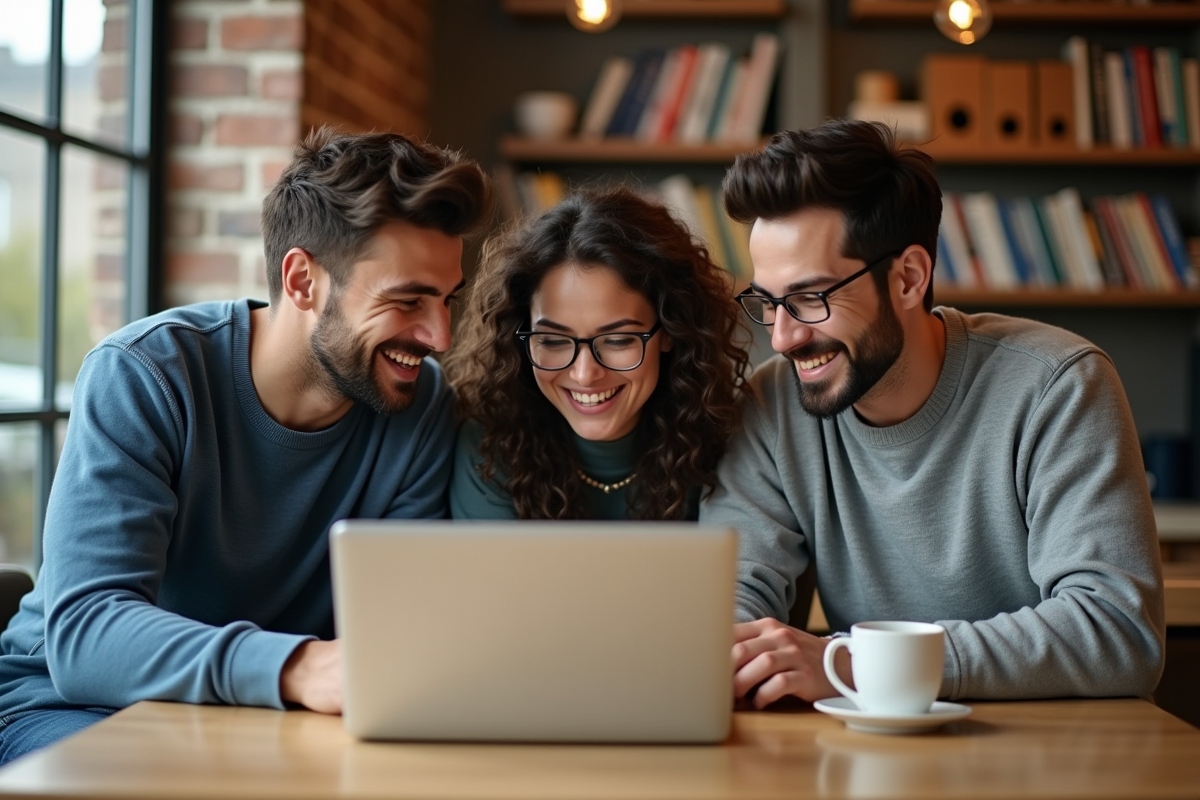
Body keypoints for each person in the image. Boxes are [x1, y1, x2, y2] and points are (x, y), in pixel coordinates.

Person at [0, 127, 491, 762]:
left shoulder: (418, 407)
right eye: (408, 300)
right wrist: (297, 667)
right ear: (303, 280)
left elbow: (391, 636)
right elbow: (87, 635)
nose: (440, 336)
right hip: (72, 712)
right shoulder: (147, 374)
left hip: (267, 725)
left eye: (447, 300)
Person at [701, 119, 1165, 708]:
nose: (784, 338)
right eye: (768, 303)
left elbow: (1118, 634)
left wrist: (858, 665)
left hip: (1046, 757)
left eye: (810, 299)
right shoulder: (771, 410)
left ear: (909, 278)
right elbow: (735, 601)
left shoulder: (1058, 385)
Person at [445, 187, 750, 521]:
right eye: (552, 341)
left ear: (670, 332)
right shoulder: (488, 448)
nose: (584, 374)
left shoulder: (726, 442)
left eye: (618, 340)